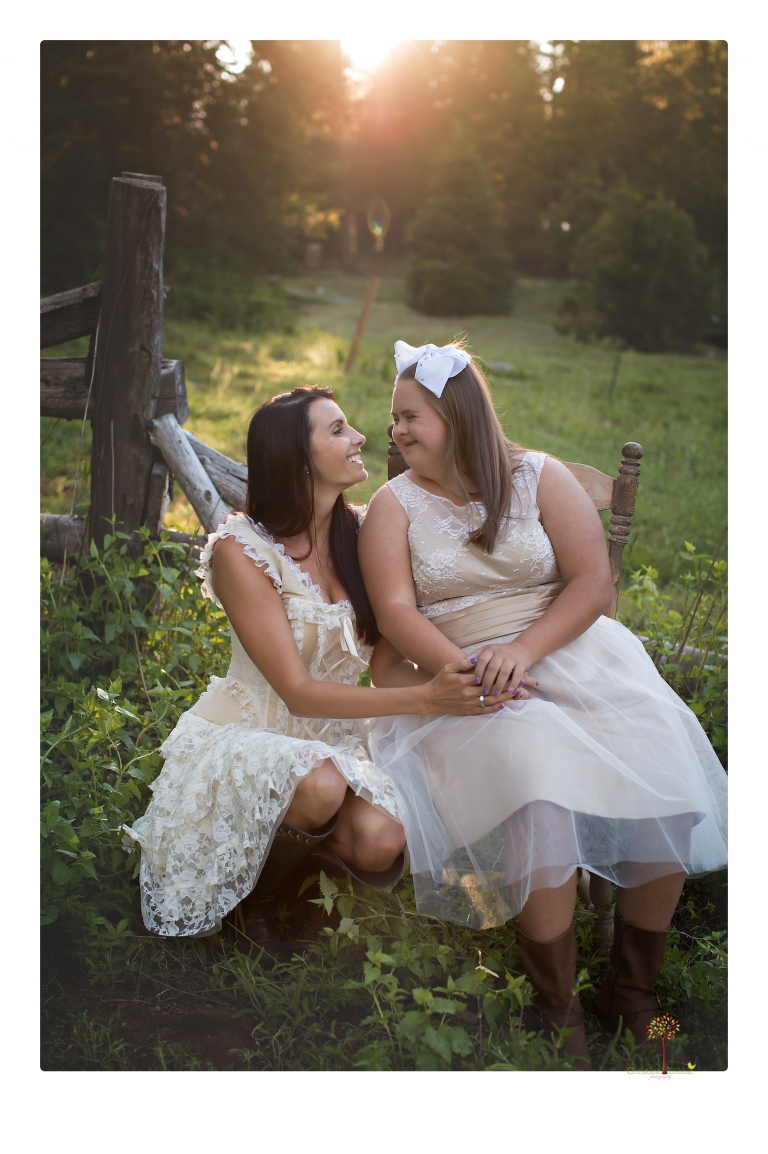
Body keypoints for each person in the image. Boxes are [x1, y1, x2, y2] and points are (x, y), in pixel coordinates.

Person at [358, 340, 728, 1068]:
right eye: (393, 417)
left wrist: (526, 651)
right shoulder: (390, 507)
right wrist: (469, 670)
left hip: (570, 652)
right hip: (460, 674)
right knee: (539, 786)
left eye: (411, 415)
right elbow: (398, 615)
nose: (395, 431)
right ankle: (555, 1007)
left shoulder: (539, 477)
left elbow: (594, 582)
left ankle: (633, 991)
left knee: (662, 753)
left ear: (456, 414)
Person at [124, 385, 518, 954]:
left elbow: (394, 643)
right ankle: (248, 911)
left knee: (385, 836)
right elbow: (298, 692)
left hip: (335, 735)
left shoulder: (361, 536)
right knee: (319, 782)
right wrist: (428, 699)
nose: (361, 437)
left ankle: (294, 893)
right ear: (297, 458)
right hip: (249, 731)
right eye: (337, 430)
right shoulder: (244, 550)